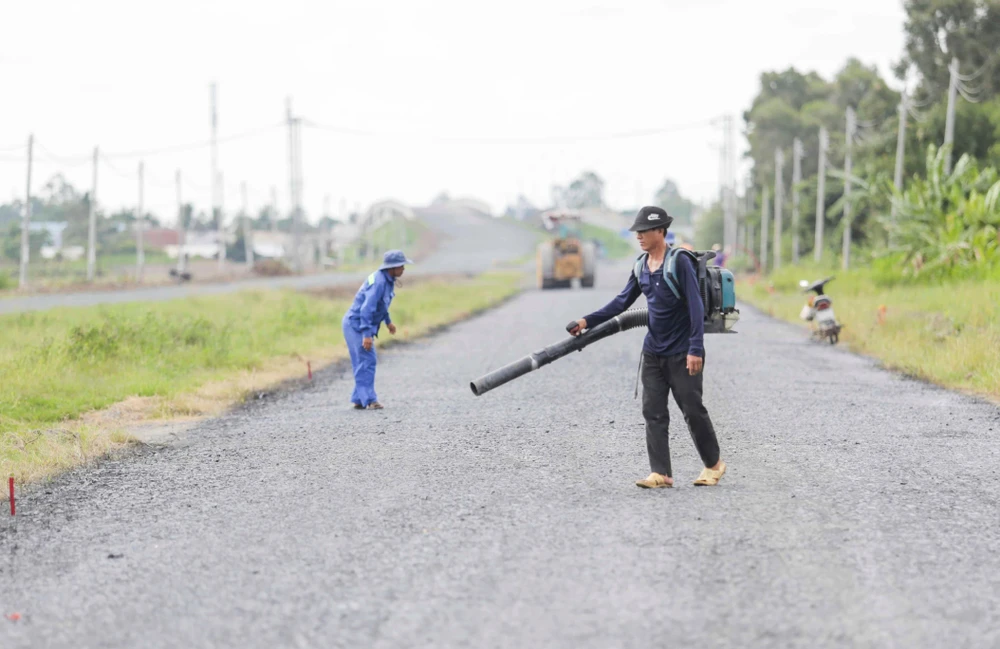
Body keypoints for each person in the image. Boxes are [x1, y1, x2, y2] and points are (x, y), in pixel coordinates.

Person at [568, 206, 726, 488]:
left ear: (660, 232)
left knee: (692, 409)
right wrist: (586, 320)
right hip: (653, 352)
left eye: (644, 231)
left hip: (682, 351)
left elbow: (695, 305)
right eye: (637, 232)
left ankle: (713, 465)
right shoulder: (641, 265)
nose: (639, 236)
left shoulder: (679, 262)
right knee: (653, 411)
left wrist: (696, 348)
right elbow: (621, 302)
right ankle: (661, 473)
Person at [341, 249, 413, 410]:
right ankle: (370, 399)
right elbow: (366, 309)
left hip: (360, 324)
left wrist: (388, 322)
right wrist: (366, 334)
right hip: (356, 325)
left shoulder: (387, 280)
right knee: (366, 360)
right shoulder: (379, 282)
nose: (403, 269)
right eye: (401, 266)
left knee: (365, 360)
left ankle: (359, 398)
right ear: (392, 267)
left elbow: (380, 305)